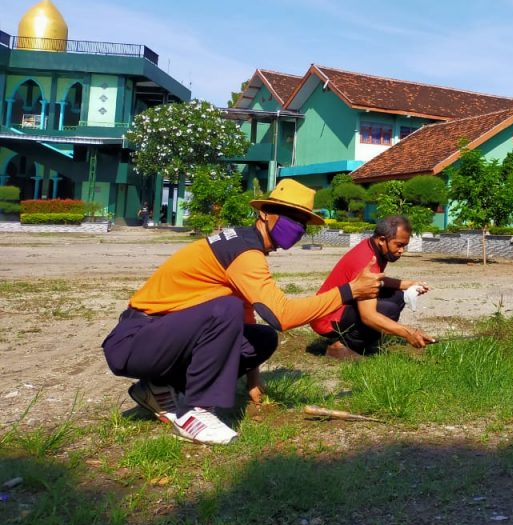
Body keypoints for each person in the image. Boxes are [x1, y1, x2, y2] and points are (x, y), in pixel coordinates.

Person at [102, 179, 382, 445]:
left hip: (160, 338)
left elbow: (247, 320)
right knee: (226, 309)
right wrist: (348, 292)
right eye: (288, 216)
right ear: (264, 214)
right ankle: (195, 411)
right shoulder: (245, 252)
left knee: (260, 338)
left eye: (302, 223)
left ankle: (157, 388)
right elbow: (281, 315)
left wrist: (253, 382)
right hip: (135, 339)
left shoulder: (246, 246)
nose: (296, 227)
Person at [311, 215, 435, 358]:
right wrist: (408, 333)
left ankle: (361, 340)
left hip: (337, 310)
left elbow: (377, 280)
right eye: (399, 245)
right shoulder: (366, 260)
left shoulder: (374, 248)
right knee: (388, 309)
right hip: (326, 319)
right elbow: (368, 316)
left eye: (404, 246)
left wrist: (408, 284)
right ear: (382, 240)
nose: (402, 251)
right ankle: (341, 347)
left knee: (398, 296)